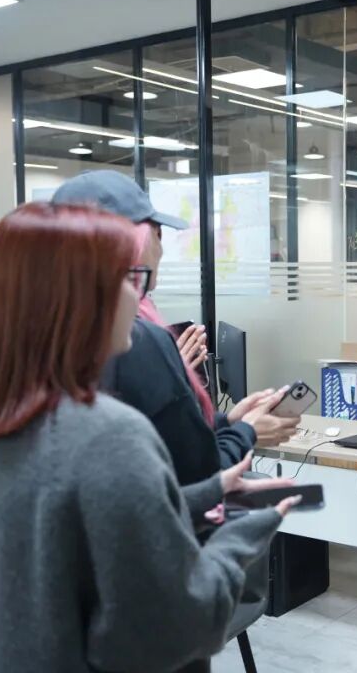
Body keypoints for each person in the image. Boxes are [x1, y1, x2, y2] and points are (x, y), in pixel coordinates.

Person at [0, 202, 300, 673]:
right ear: (77, 300)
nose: (137, 296)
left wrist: (209, 492)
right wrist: (247, 528)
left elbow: (92, 522)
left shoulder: (2, 417)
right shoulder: (109, 432)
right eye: (126, 278)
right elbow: (181, 627)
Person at [51, 170, 299, 485]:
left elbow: (154, 440)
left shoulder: (46, 332)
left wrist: (226, 422)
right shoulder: (135, 339)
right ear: (137, 242)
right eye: (157, 234)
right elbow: (199, 473)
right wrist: (246, 432)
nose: (162, 249)